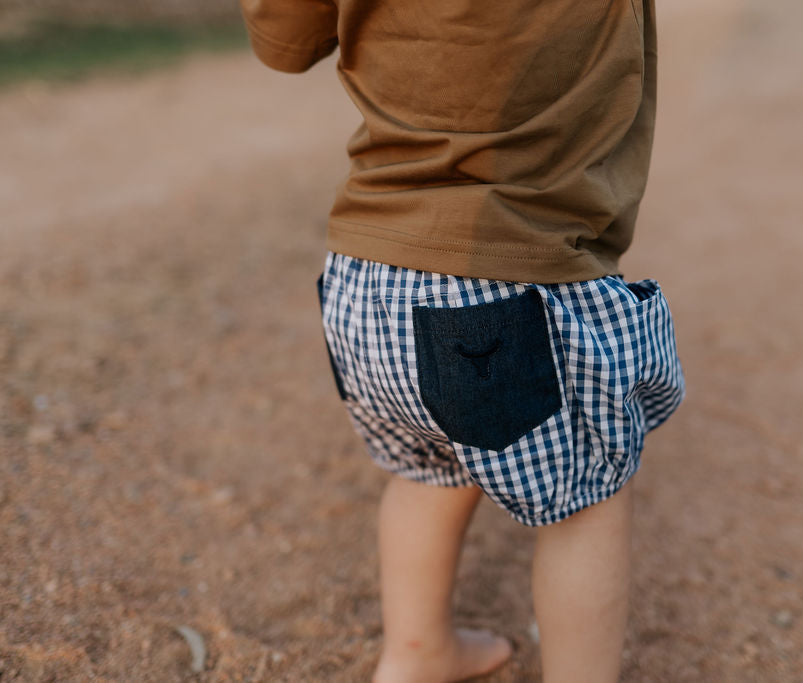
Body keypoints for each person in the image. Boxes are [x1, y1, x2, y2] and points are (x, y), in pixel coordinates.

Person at [239, 0, 684, 680]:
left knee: (428, 468)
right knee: (587, 500)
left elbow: (284, 40)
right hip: (508, 284)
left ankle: (417, 653)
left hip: (365, 279)